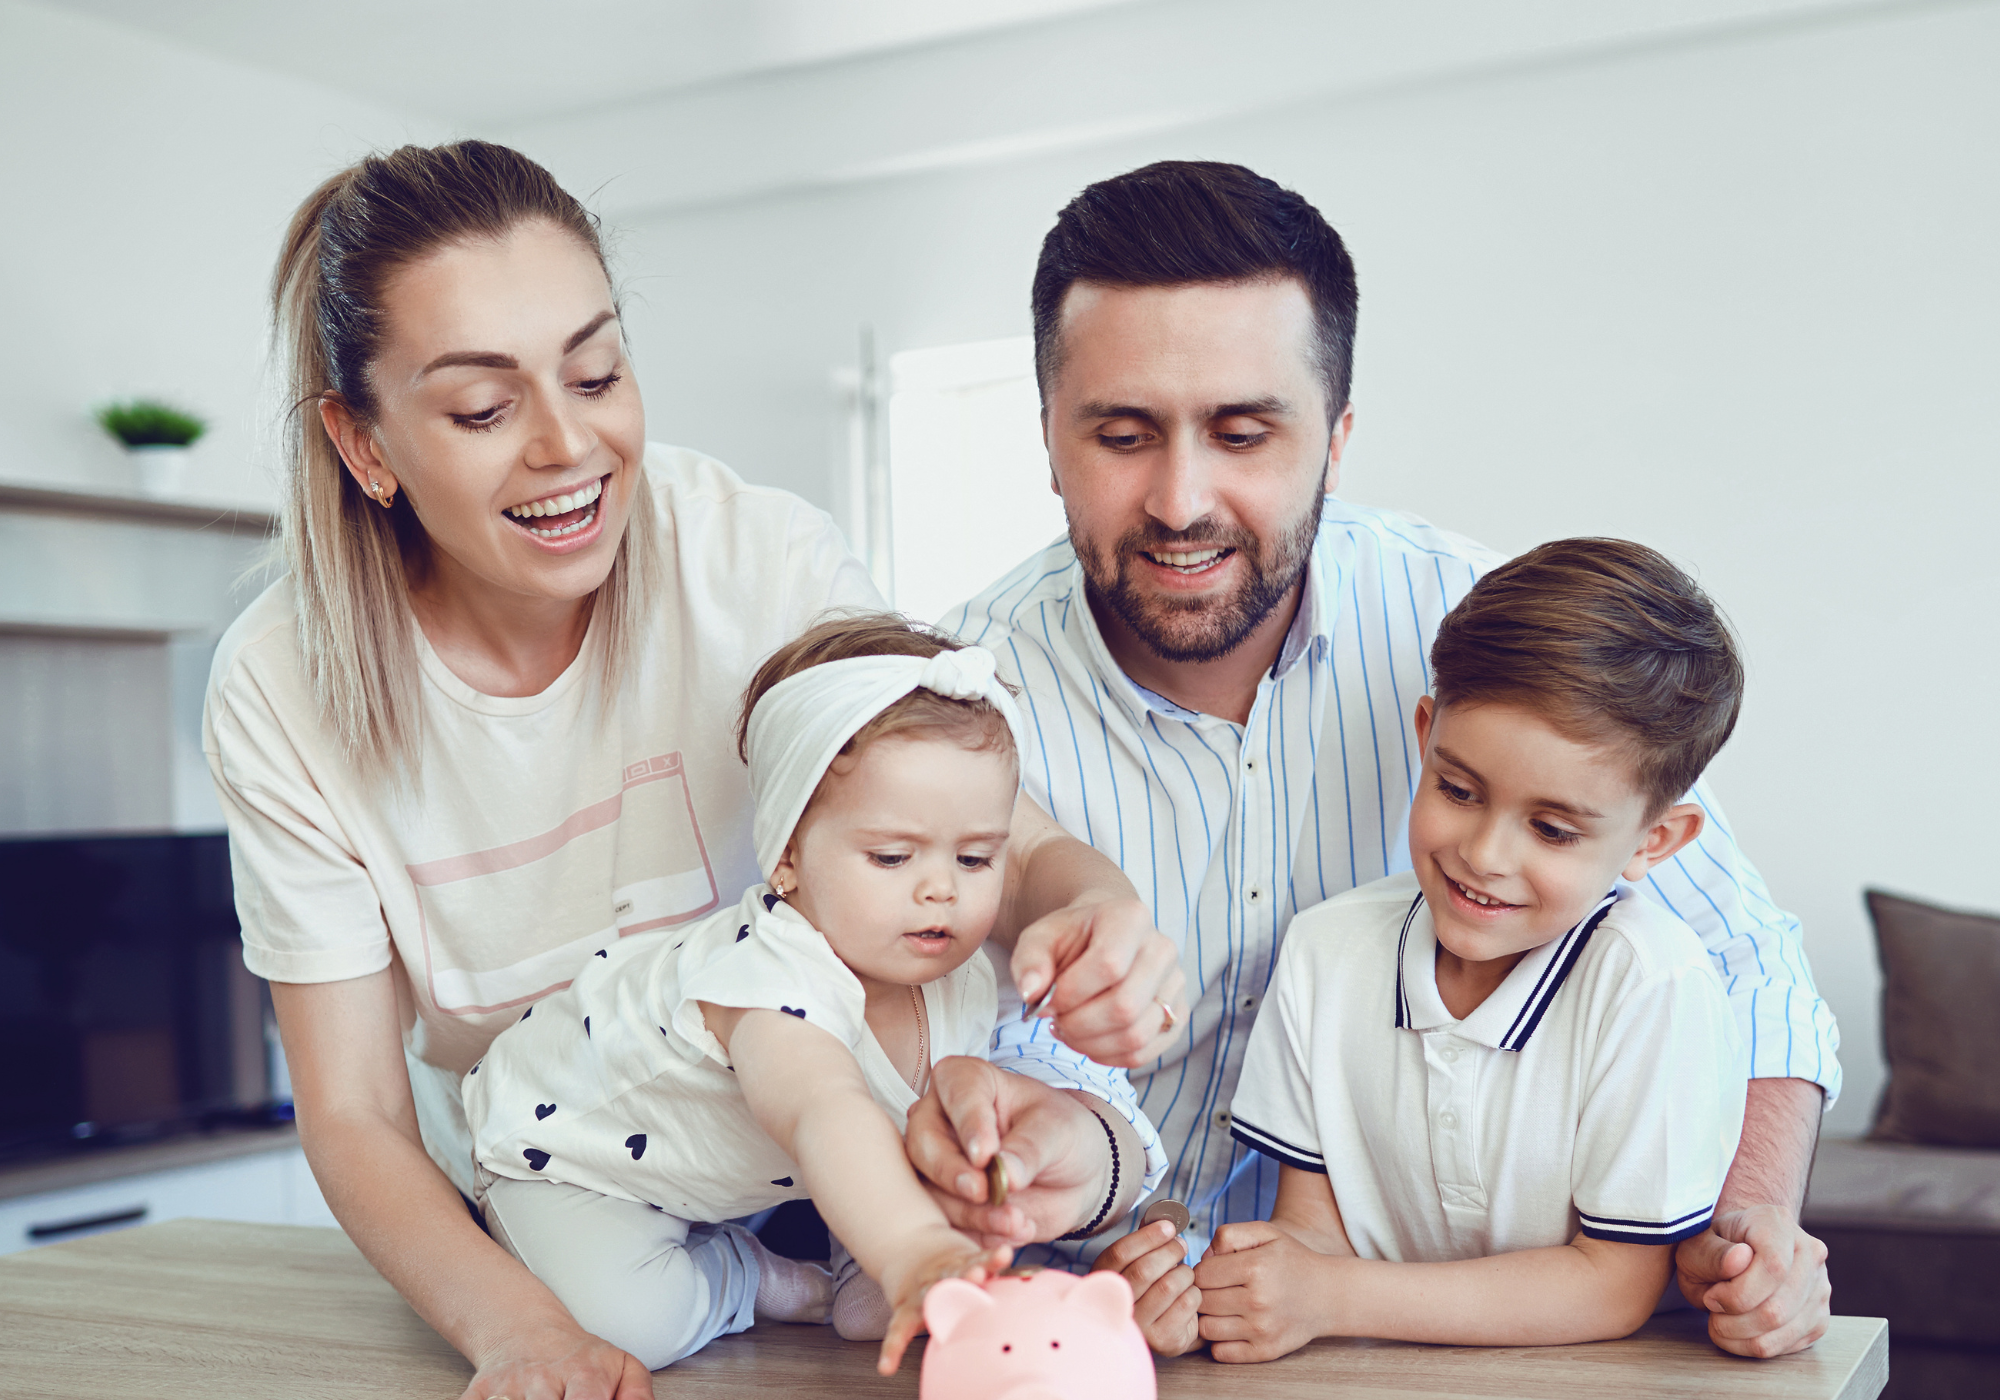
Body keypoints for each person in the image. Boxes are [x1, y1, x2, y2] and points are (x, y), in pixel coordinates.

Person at [204, 140, 1182, 1400]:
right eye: (484, 408)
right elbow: (353, 1112)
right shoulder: (283, 684)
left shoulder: (752, 559)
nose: (568, 443)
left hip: (810, 1162)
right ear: (365, 443)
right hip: (564, 1196)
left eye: (596, 372)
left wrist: (1091, 903)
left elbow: (991, 831)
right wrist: (523, 1330)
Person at [914, 159, 1836, 1359]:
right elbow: (946, 1043)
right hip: (1072, 1334)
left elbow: (1744, 957)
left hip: (1429, 1339)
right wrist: (1079, 1192)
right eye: (1123, 434)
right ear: (1047, 437)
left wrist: (1753, 1219)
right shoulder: (951, 700)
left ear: (1335, 439)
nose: (1180, 500)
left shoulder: (1475, 627)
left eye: (1242, 432)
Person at [1177, 538, 1748, 1357]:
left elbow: (1615, 1283)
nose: (1484, 854)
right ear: (1426, 735)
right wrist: (1242, 1291)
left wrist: (1332, 1296)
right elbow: (1312, 1234)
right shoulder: (1325, 952)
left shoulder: (1653, 985)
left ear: (1654, 840)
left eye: (1552, 829)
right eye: (1458, 789)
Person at [465, 615, 1040, 1373]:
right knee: (631, 1327)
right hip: (568, 1160)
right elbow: (822, 1109)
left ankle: (862, 1268)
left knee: (880, 1304)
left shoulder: (964, 978)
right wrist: (914, 1247)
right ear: (786, 854)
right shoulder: (770, 977)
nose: (941, 889)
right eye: (892, 857)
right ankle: (744, 1274)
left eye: (975, 858)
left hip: (733, 1171)